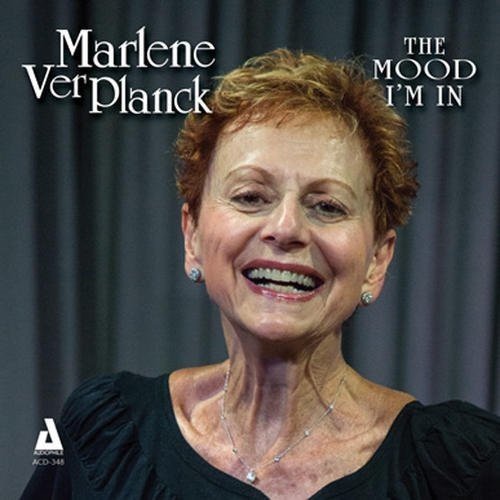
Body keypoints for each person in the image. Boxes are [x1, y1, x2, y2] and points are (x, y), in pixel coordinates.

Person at [23, 49, 499, 499]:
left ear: (377, 260)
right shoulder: (102, 436)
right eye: (251, 197)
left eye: (327, 206)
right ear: (192, 235)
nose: (286, 228)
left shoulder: (465, 469)